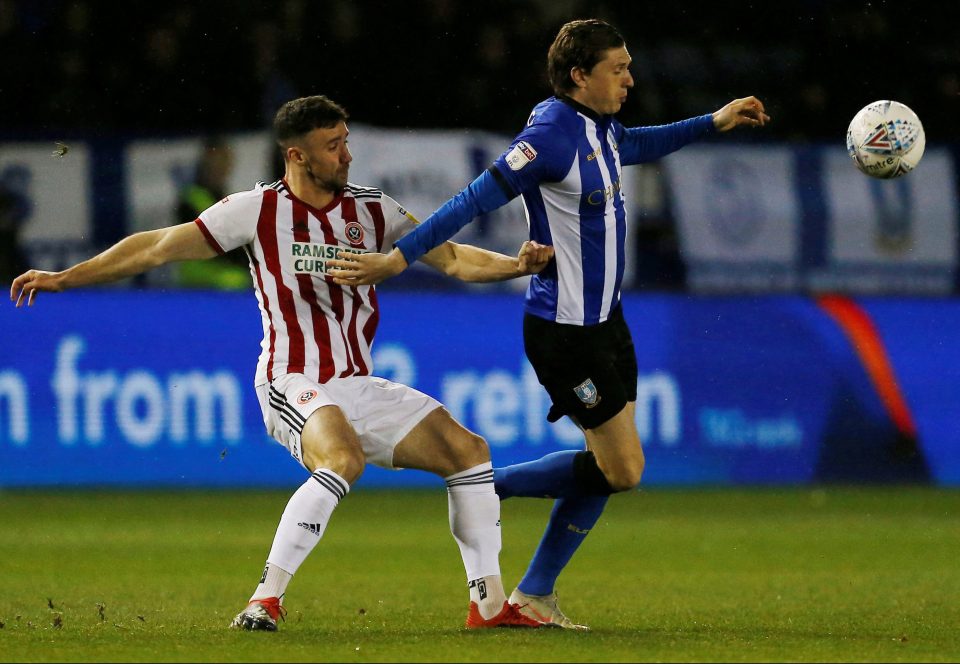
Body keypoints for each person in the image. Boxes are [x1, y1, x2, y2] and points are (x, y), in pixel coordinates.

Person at [9, 95, 558, 631]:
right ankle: (264, 601)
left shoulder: (373, 209)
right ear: (297, 156)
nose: (346, 155)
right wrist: (64, 277)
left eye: (346, 143)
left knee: (468, 453)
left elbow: (455, 257)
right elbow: (157, 247)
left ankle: (488, 608)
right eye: (332, 146)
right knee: (341, 458)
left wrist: (519, 266)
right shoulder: (257, 210)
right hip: (289, 380)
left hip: (356, 384)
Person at [325, 18, 770, 630]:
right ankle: (482, 484)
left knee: (610, 469)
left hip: (609, 323)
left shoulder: (602, 128)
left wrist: (712, 122)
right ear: (580, 76)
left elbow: (636, 144)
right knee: (625, 470)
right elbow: (471, 199)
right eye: (618, 69)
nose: (630, 79)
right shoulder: (551, 135)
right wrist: (397, 259)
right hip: (565, 333)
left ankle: (533, 593)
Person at [173, 136, 251, 289]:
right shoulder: (191, 198)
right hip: (199, 270)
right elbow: (212, 240)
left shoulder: (225, 197)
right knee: (238, 280)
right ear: (205, 162)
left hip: (223, 267)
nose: (221, 167)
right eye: (216, 160)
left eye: (225, 161)